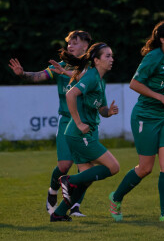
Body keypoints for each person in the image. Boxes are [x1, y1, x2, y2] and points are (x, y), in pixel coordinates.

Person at [8, 30, 91, 217]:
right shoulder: (59, 66)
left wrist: (65, 72)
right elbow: (39, 76)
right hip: (66, 120)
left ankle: (76, 206)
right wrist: (23, 74)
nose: (70, 46)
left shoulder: (92, 65)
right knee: (64, 166)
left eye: (75, 43)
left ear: (86, 45)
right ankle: (52, 192)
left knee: (85, 167)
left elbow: (86, 78)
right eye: (69, 43)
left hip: (86, 122)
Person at [109, 20, 164, 222]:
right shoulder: (153, 57)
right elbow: (135, 83)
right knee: (145, 168)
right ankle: (116, 198)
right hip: (145, 116)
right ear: (163, 39)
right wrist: (161, 97)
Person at [50, 42, 120, 221]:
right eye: (107, 56)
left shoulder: (99, 79)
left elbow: (102, 109)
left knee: (87, 177)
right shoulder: (90, 76)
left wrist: (108, 112)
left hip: (81, 134)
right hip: (78, 134)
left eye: (111, 55)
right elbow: (70, 95)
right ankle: (68, 180)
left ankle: (58, 214)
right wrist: (79, 122)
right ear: (96, 60)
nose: (112, 59)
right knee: (113, 167)